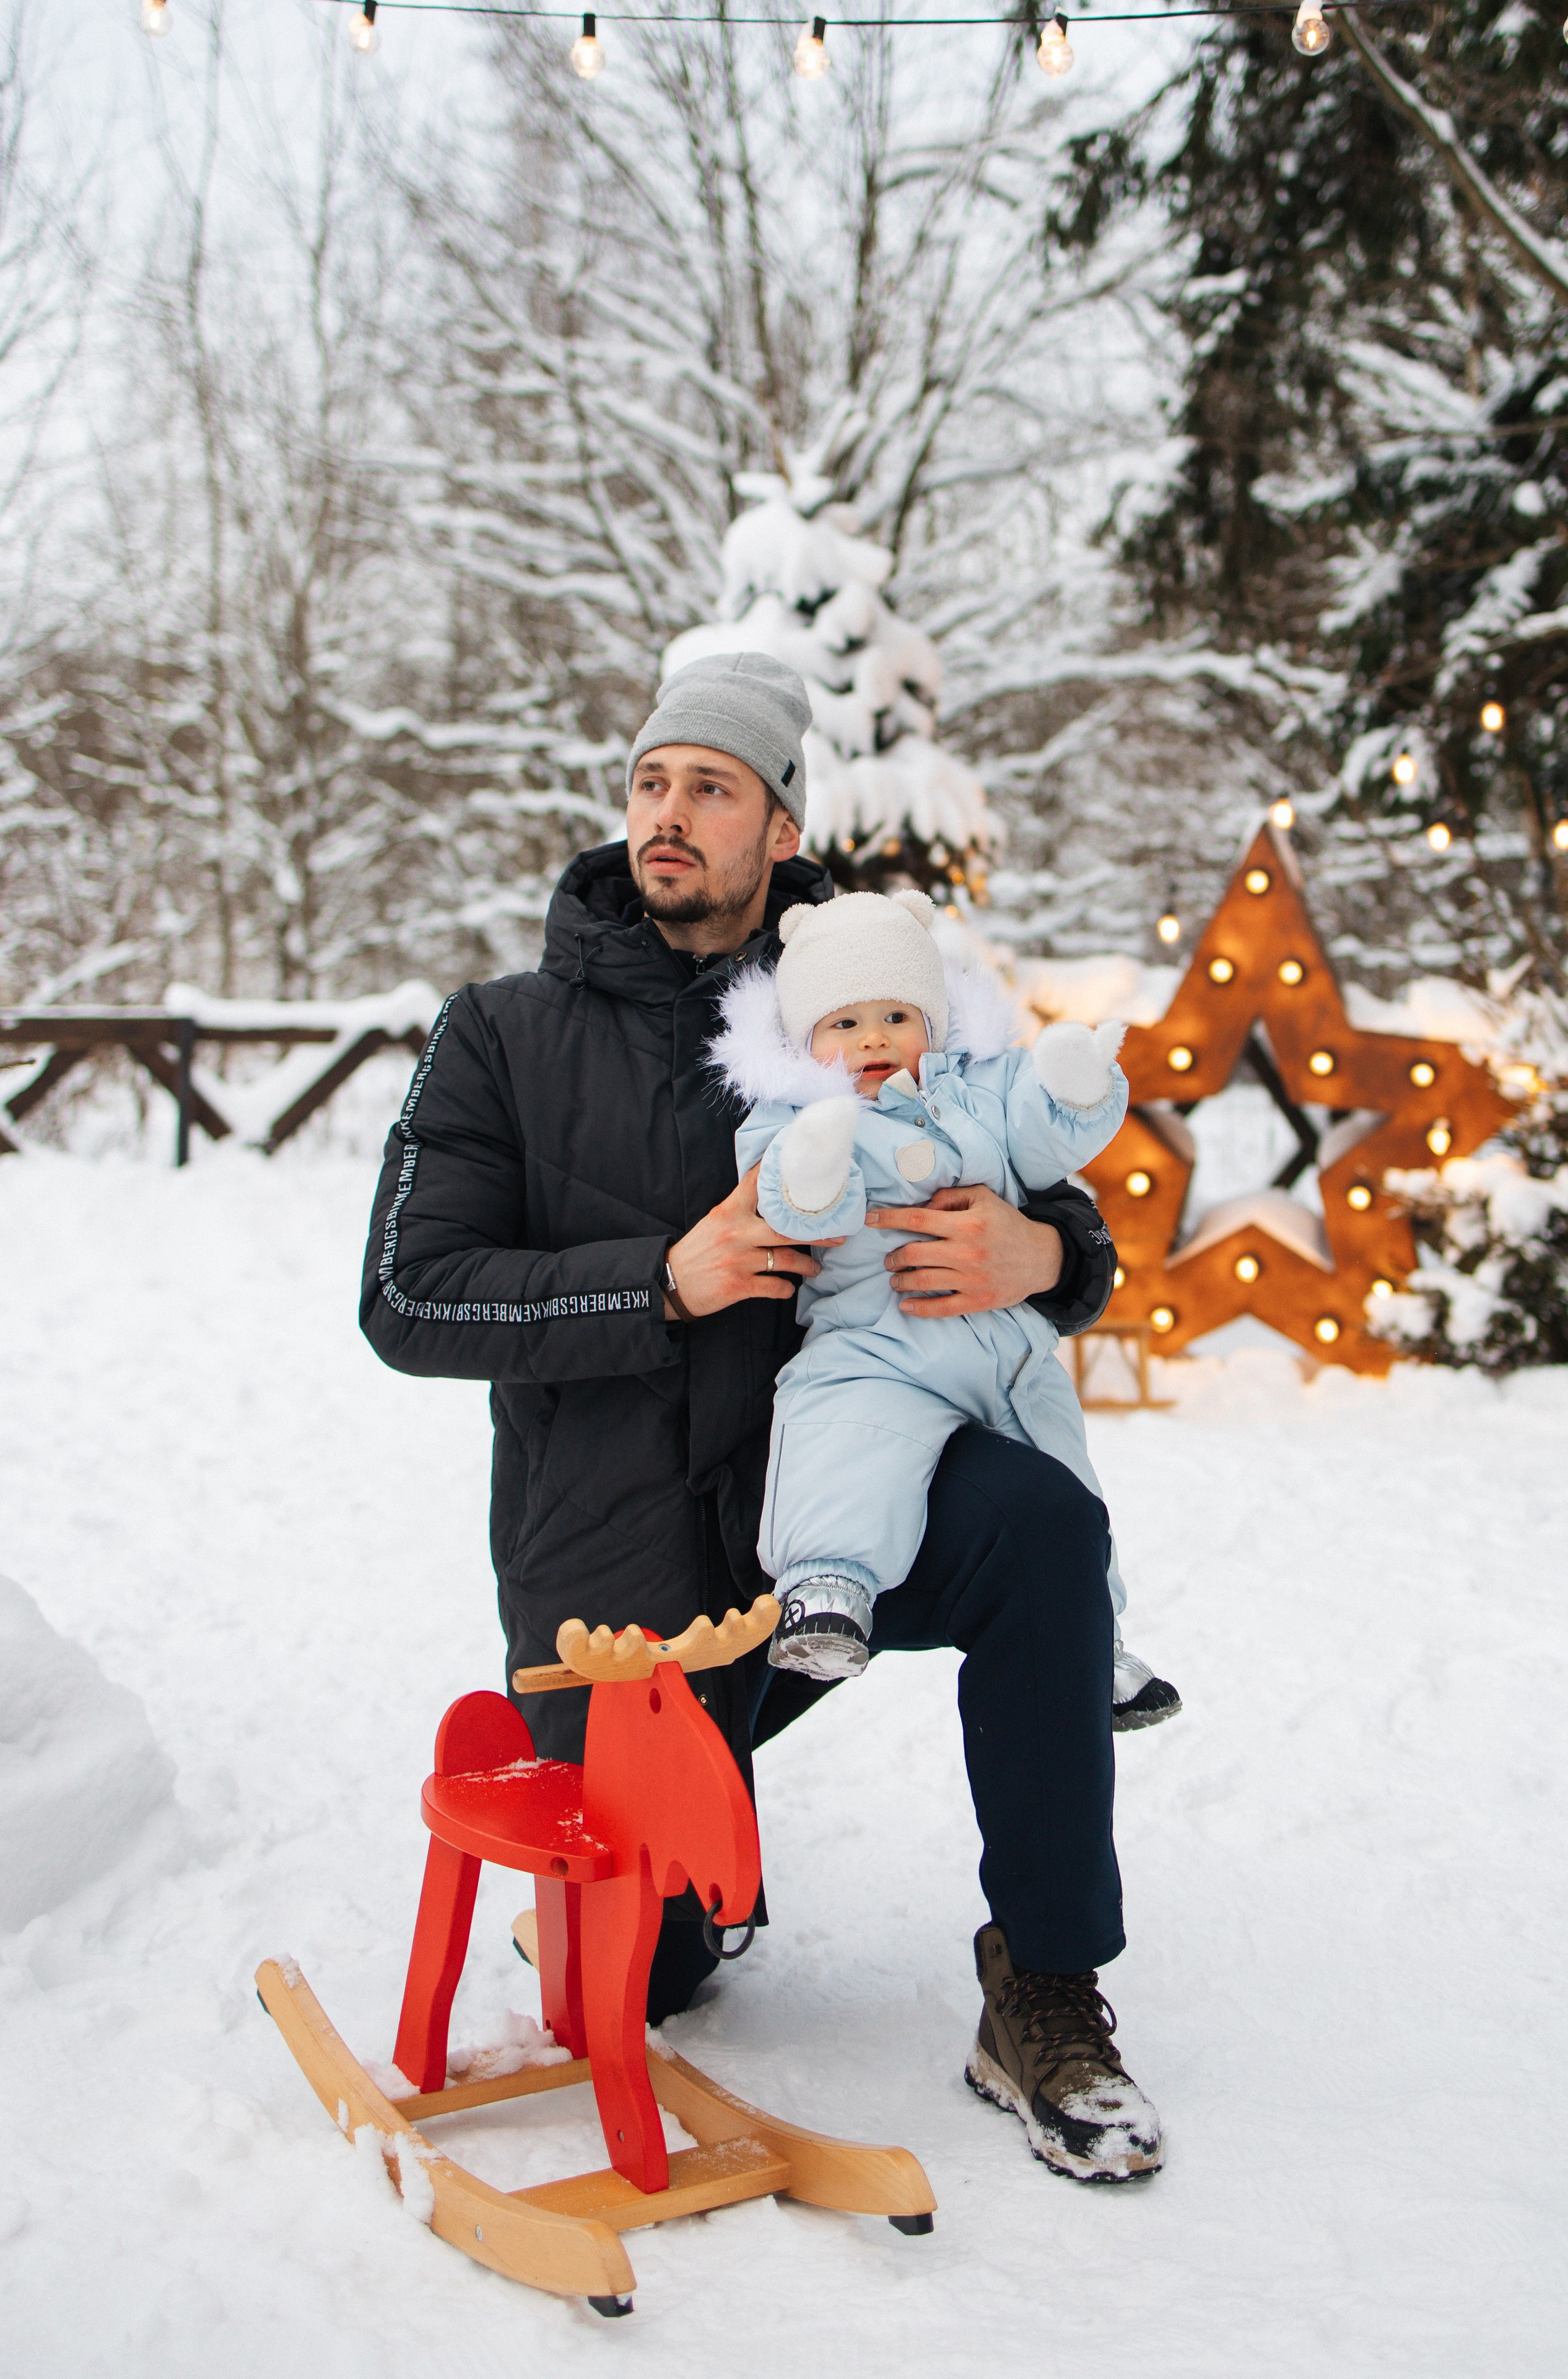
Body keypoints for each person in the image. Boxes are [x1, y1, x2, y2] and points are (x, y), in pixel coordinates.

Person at [361, 650, 1163, 2184]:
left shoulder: (862, 994)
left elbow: (1031, 1159)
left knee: (1043, 1528)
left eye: (710, 789)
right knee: (663, 1973)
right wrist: (661, 1278)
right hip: (614, 1575)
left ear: (777, 830)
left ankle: (1048, 1985)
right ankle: (668, 1883)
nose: (668, 814)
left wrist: (1048, 1253)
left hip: (830, 1502)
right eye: (652, 781)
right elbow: (406, 1294)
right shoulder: (500, 1034)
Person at [709, 887, 1176, 1726]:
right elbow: (790, 1200)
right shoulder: (801, 1114)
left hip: (1007, 1350)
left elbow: (1038, 1143)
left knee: (1067, 1479)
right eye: (845, 1024)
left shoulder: (980, 1088)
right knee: (847, 1434)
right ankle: (827, 1585)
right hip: (878, 1341)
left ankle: (1092, 1641)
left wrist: (1068, 1092)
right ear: (807, 1041)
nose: (874, 1037)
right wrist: (815, 1162)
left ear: (933, 1018)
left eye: (895, 1013)